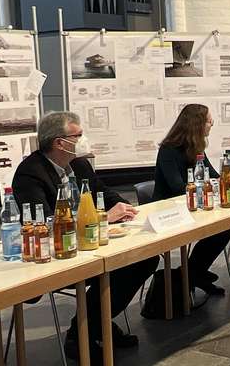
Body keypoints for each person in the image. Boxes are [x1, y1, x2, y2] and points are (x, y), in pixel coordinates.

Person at [12, 111, 159, 362]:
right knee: (120, 267)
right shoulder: (30, 174)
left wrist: (125, 208)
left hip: (90, 243)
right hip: (58, 253)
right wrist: (104, 218)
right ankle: (80, 334)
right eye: (78, 135)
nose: (83, 139)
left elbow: (104, 193)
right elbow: (44, 224)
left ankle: (96, 324)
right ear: (60, 142)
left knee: (145, 258)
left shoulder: (79, 164)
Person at [153, 104, 230, 295]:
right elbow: (177, 187)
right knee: (219, 225)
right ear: (197, 125)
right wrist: (207, 187)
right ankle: (194, 274)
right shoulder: (168, 150)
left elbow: (213, 175)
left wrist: (228, 180)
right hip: (169, 210)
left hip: (194, 205)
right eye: (209, 121)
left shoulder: (196, 148)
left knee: (227, 224)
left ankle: (192, 272)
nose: (212, 124)